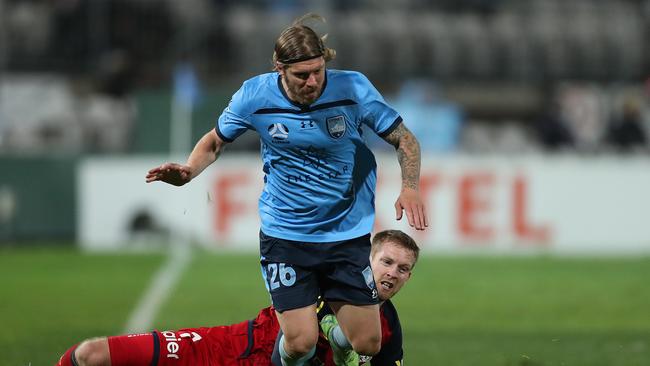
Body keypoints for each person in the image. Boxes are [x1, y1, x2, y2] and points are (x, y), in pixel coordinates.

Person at [145, 13, 427, 366]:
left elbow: (404, 139)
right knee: (298, 343)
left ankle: (334, 334)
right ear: (279, 68)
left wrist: (410, 187)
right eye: (302, 75)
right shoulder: (254, 95)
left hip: (346, 233)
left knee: (368, 343)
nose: (313, 81)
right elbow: (215, 142)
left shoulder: (353, 89)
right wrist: (188, 171)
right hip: (287, 235)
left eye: (318, 71)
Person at [55, 229, 420, 366]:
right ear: (366, 260)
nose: (392, 273)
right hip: (237, 347)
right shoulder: (327, 275)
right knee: (92, 355)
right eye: (386, 261)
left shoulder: (388, 333)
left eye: (403, 269)